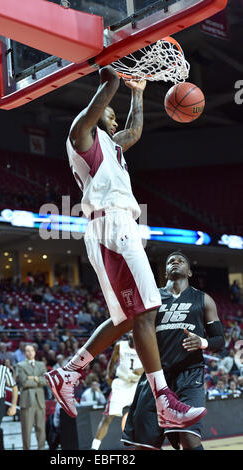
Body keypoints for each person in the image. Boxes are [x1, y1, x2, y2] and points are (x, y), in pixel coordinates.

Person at [45, 65, 206, 429]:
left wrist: (137, 90)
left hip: (118, 227)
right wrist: (113, 66)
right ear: (94, 112)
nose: (115, 123)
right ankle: (165, 400)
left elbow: (133, 130)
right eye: (110, 115)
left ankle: (69, 372)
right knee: (148, 311)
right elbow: (106, 86)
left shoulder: (113, 146)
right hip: (110, 225)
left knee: (127, 318)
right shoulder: (80, 136)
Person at [121, 251, 225, 450]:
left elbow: (219, 340)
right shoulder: (152, 298)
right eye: (170, 261)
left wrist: (202, 342)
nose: (175, 263)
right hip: (156, 377)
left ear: (190, 272)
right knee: (145, 445)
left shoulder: (203, 299)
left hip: (189, 375)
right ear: (165, 271)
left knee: (189, 436)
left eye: (180, 261)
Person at [91, 332, 143, 450]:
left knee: (145, 416)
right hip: (121, 384)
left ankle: (147, 445)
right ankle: (94, 448)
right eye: (129, 331)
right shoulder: (120, 345)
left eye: (133, 331)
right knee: (107, 417)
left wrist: (143, 369)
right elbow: (113, 360)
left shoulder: (144, 344)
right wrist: (108, 375)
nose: (131, 333)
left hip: (137, 384)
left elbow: (152, 362)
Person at [16, 343, 47, 451]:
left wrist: (34, 378)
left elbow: (46, 381)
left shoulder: (41, 365)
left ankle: (41, 448)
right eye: (28, 351)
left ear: (35, 352)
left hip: (40, 400)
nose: (30, 353)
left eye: (32, 350)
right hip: (27, 400)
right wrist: (38, 379)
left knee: (41, 428)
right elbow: (24, 382)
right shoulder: (20, 365)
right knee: (26, 429)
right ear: (24, 353)